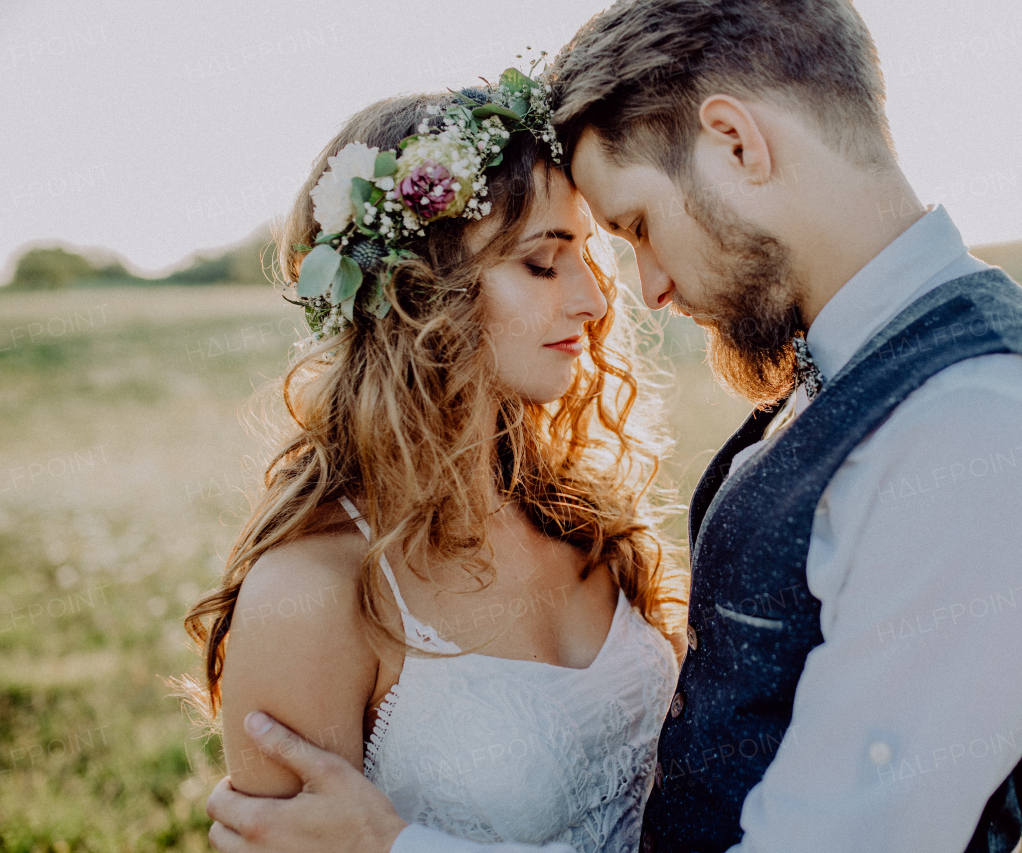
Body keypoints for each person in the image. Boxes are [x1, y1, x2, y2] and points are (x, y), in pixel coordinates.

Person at [203, 1, 1022, 851]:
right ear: (422, 296)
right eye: (549, 260)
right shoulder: (858, 386)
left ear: (737, 144)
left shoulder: (982, 429)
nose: (633, 294)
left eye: (634, 230)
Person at [184, 75, 685, 853]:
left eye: (587, 255)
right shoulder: (312, 596)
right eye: (543, 265)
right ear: (419, 292)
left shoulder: (583, 516)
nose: (594, 300)